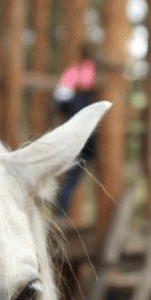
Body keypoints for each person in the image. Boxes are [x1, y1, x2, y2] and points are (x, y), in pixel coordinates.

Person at [52, 42, 99, 216]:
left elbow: (60, 99)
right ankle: (61, 205)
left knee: (74, 168)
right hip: (85, 127)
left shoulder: (73, 70)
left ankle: (61, 205)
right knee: (78, 167)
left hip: (74, 125)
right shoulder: (91, 70)